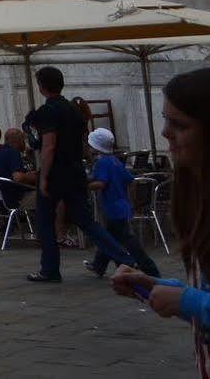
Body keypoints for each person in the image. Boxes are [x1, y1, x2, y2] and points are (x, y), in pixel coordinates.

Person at [110, 66, 210, 374]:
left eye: (179, 124)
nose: (165, 132)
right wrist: (158, 287)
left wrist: (187, 300)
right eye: (166, 119)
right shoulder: (197, 199)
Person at [26, 65, 140, 282]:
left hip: (56, 172)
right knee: (86, 221)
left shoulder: (47, 112)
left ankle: (49, 269)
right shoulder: (74, 110)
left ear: (41, 87)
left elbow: (49, 146)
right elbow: (83, 143)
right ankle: (124, 257)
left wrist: (44, 177)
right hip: (76, 170)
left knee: (45, 221)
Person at [85, 127, 160, 276]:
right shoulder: (115, 161)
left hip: (112, 208)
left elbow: (100, 183)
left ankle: (147, 267)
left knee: (125, 239)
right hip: (122, 205)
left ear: (95, 148)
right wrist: (131, 201)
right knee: (109, 237)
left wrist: (84, 186)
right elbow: (131, 181)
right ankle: (99, 265)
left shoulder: (102, 163)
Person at [0, 124, 34, 205]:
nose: (24, 143)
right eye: (23, 140)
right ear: (17, 141)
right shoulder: (13, 153)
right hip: (11, 200)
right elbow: (18, 178)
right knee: (44, 195)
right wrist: (34, 177)